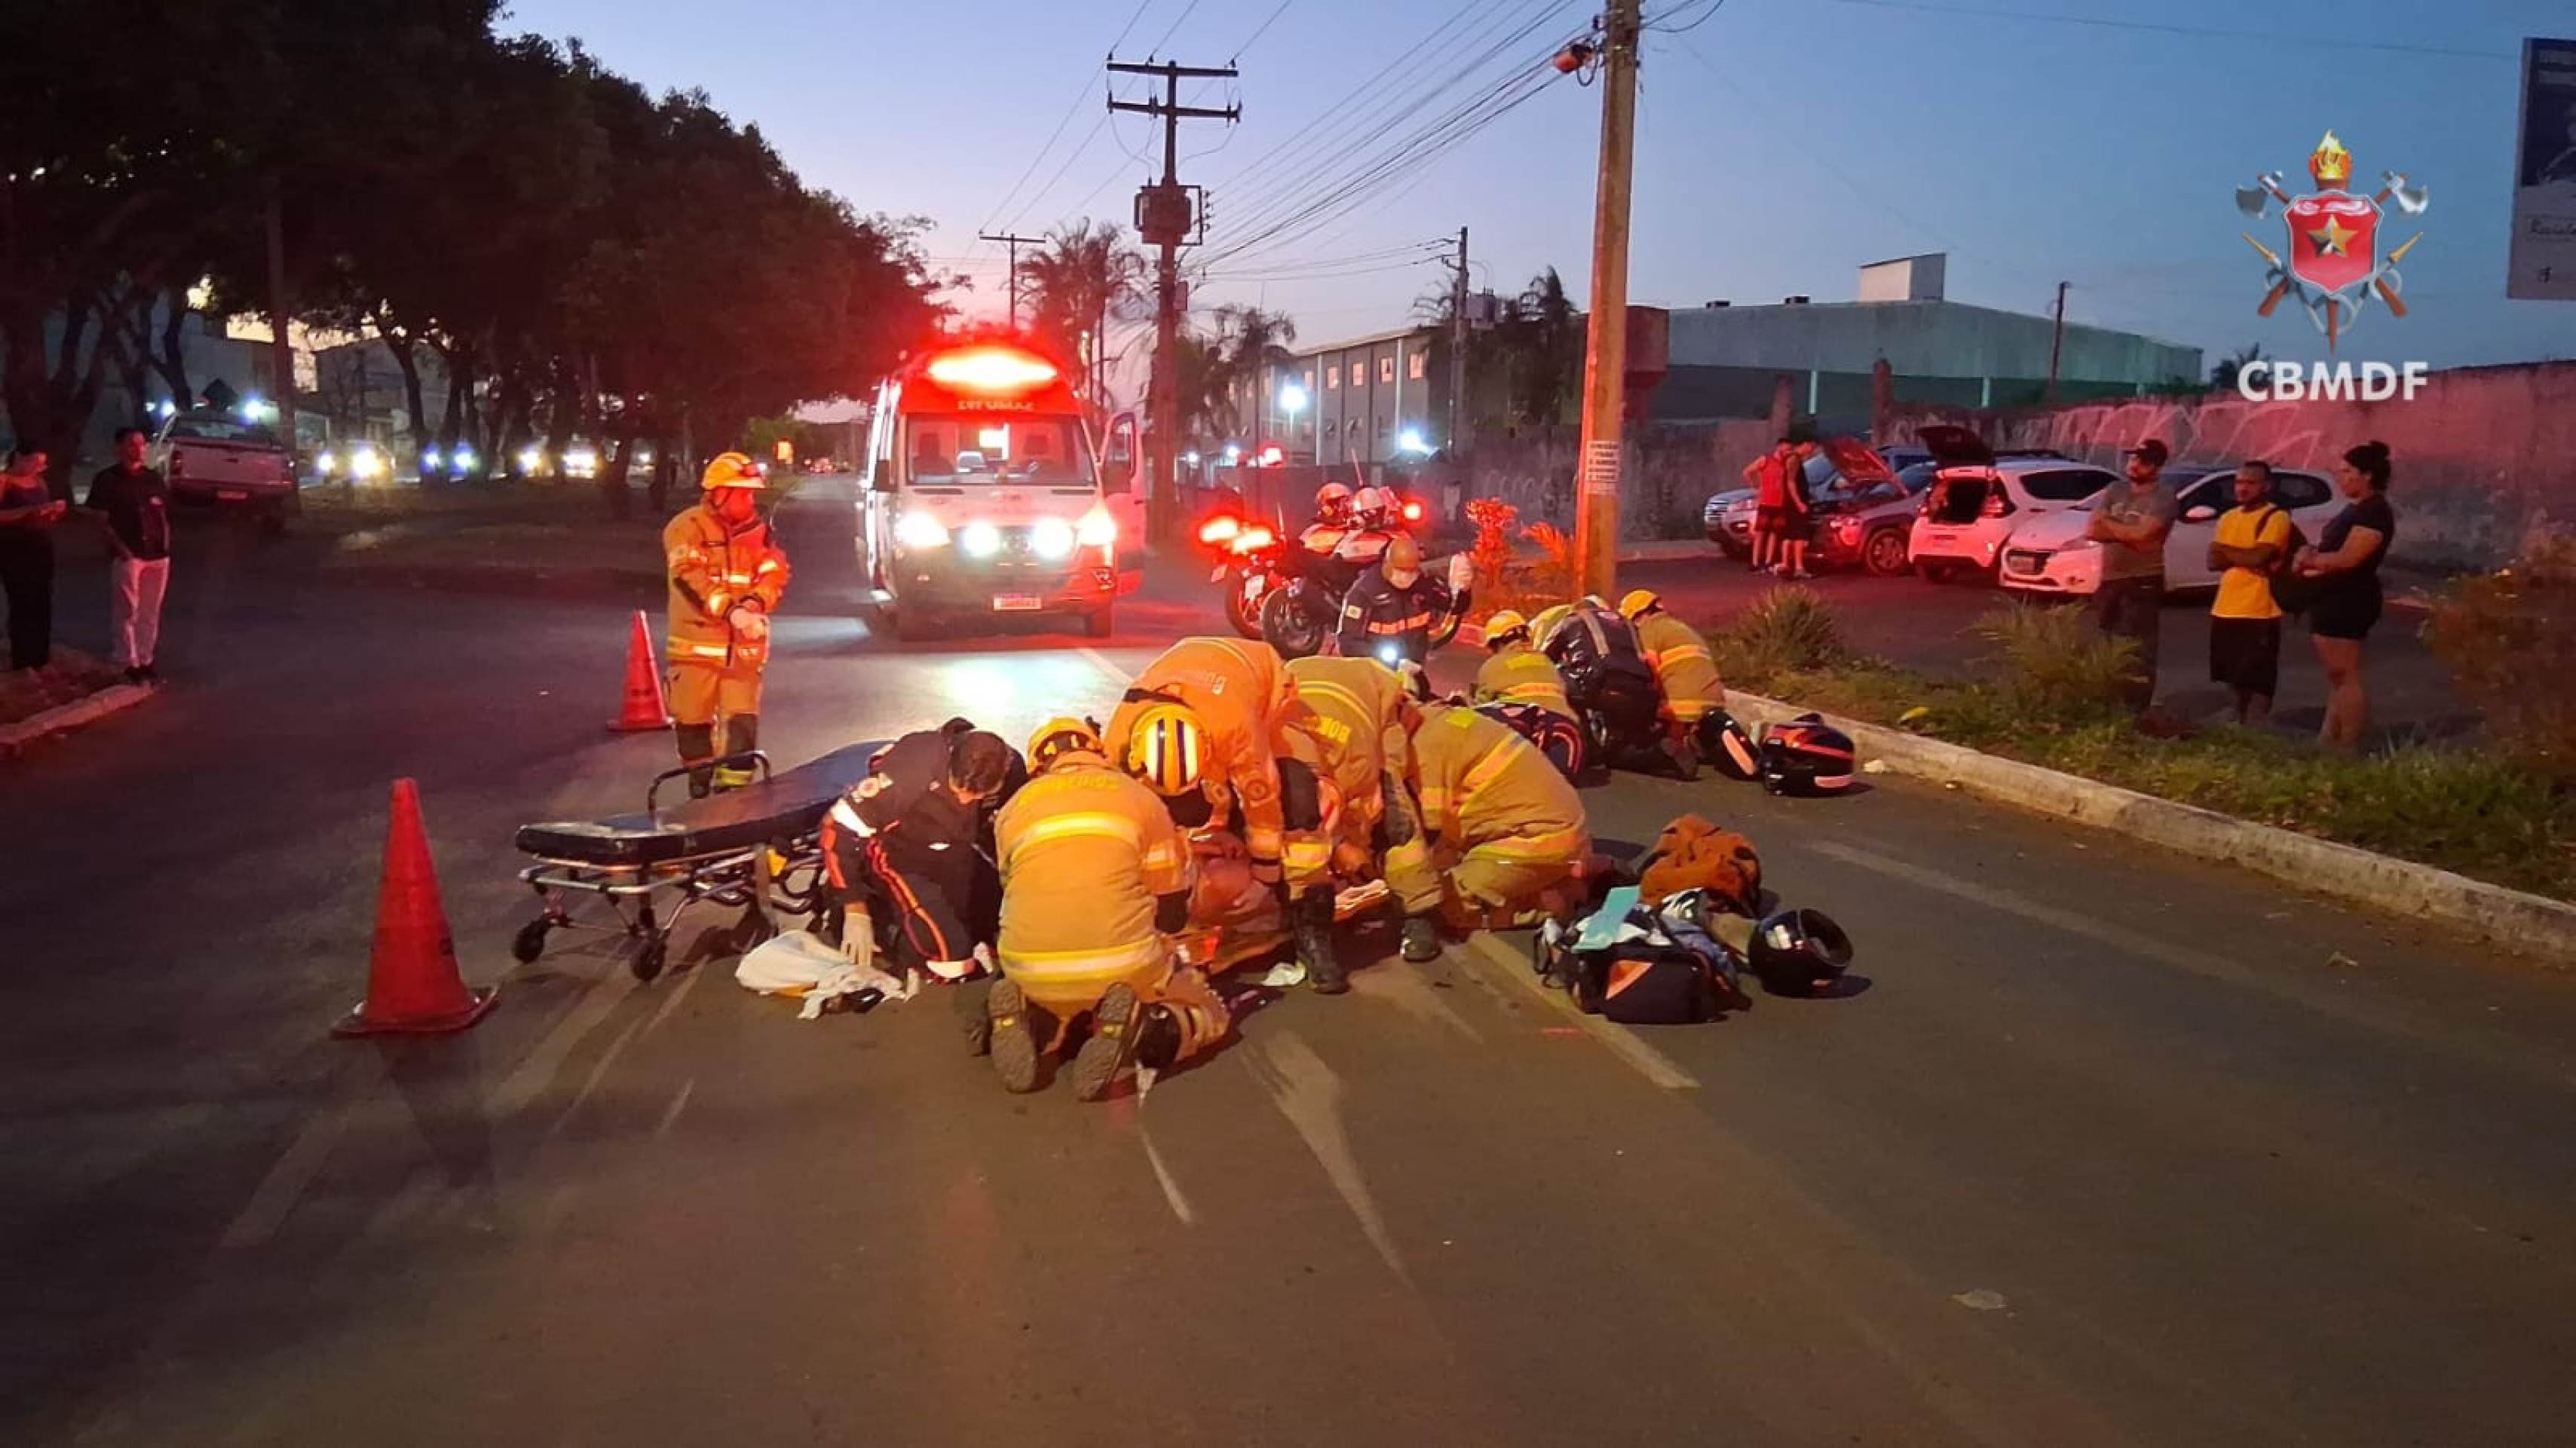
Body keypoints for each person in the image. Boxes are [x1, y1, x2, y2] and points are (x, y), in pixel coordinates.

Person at [986, 718, 1227, 1101]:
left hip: (1026, 962)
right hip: (1122, 962)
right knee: (1211, 1014)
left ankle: (1034, 1011)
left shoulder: (1014, 809)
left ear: (1037, 765)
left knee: (1055, 974)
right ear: (1098, 751)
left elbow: (1010, 885)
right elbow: (1171, 909)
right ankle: (1145, 1025)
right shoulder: (1139, 798)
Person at [1106, 637, 1344, 991]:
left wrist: (1266, 872)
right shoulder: (1119, 740)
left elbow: (1262, 800)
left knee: (1296, 798)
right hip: (1199, 683)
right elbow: (1138, 819)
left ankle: (1311, 929)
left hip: (1263, 690)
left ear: (1206, 749)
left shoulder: (1236, 726)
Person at [1385, 702, 1592, 963]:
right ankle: (1564, 876)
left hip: (1535, 842)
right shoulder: (1434, 724)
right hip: (1542, 831)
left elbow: (1423, 833)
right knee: (1435, 882)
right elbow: (1444, 838)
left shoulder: (1425, 750)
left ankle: (1558, 901)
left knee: (1444, 908)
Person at [822, 721, 1020, 985]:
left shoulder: (1013, 769)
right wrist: (853, 907)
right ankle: (871, 916)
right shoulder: (914, 768)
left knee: (1001, 928)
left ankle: (919, 918)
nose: (964, 801)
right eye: (959, 790)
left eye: (977, 796)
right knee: (953, 961)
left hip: (956, 852)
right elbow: (836, 826)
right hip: (899, 853)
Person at [663, 452, 789, 795]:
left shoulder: (759, 533)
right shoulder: (686, 528)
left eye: (752, 494)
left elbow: (774, 572)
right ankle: (700, 792)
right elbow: (690, 578)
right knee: (692, 727)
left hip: (744, 655)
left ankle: (734, 803)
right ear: (719, 494)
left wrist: (753, 603)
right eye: (743, 493)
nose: (750, 500)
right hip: (695, 652)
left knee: (741, 732)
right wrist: (733, 612)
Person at [2296, 441, 2397, 752]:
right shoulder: (2355, 509)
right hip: (2331, 596)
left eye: (2347, 472)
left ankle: (2348, 744)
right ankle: (2329, 740)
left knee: (2346, 675)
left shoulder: (2374, 511)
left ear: (2367, 475)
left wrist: (2311, 561)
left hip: (2349, 600)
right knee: (2336, 677)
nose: (2341, 478)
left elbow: (2349, 558)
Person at [1286, 653, 1417, 880]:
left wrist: (1354, 854)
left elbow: (1362, 812)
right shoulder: (1276, 754)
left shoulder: (1358, 770)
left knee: (1391, 783)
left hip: (1370, 686)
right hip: (1302, 672)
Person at [1542, 595, 1685, 777]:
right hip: (1640, 691)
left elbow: (1543, 660)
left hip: (1596, 683)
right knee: (1618, 752)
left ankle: (1585, 744)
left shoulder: (1573, 620)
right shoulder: (1627, 624)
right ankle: (1657, 754)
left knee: (1558, 677)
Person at [2084, 438, 2177, 713]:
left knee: (2138, 648)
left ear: (2157, 467)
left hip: (2143, 580)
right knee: (2107, 643)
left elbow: (2146, 536)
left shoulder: (2164, 496)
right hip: (2111, 579)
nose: (2135, 465)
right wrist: (2129, 534)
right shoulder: (2116, 490)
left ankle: (2136, 708)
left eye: (2143, 461)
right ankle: (2108, 702)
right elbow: (2092, 531)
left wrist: (2112, 527)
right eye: (2133, 459)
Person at [2204, 460, 2296, 727]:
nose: (2242, 489)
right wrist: (2244, 556)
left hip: (2259, 610)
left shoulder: (2276, 517)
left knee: (2258, 677)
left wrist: (2230, 553)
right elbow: (2212, 561)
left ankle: (2256, 727)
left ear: (2266, 486)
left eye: (2250, 483)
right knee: (2230, 673)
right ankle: (2237, 722)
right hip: (2225, 607)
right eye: (2239, 482)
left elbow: (2260, 556)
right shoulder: (2228, 517)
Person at [81, 427, 173, 684]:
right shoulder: (107, 480)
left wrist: (166, 543)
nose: (138, 449)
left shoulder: (152, 479)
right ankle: (127, 658)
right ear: (119, 447)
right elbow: (100, 518)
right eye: (132, 444)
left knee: (150, 609)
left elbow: (162, 513)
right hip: (129, 552)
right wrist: (121, 549)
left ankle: (146, 658)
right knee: (127, 609)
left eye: (142, 444)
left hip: (156, 554)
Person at [1618, 589, 1728, 765]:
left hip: (1684, 706)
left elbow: (1651, 667)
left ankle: (1677, 743)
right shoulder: (1682, 628)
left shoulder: (1649, 629)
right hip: (1716, 702)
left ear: (1641, 615)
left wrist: (1649, 694)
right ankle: (1694, 738)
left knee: (1646, 708)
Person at [1334, 533, 1462, 666]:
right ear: (1388, 567)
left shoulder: (1422, 585)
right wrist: (1390, 662)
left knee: (1422, 688)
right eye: (1400, 571)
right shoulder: (1364, 592)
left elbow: (1454, 607)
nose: (1405, 578)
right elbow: (1348, 642)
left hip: (1412, 668)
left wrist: (1461, 589)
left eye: (1411, 572)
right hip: (1375, 672)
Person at [0, 445, 67, 671]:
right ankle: (22, 656)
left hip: (41, 545)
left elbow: (43, 512)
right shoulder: (5, 481)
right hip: (15, 549)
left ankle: (40, 655)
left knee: (42, 600)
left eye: (43, 465)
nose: (40, 468)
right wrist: (29, 511)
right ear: (20, 458)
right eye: (36, 463)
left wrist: (52, 512)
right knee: (22, 602)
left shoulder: (39, 482)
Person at [1744, 439, 1796, 574]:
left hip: (1779, 503)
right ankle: (1755, 562)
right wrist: (1755, 487)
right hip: (1766, 502)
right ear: (1779, 447)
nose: (1787, 451)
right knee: (1761, 532)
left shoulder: (1786, 464)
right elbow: (1748, 471)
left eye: (1789, 449)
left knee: (1774, 532)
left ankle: (1768, 561)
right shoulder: (1766, 459)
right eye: (1786, 448)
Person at [1774, 439, 1823, 580]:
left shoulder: (1791, 458)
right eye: (1811, 448)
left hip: (1789, 503)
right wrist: (1799, 503)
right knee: (1799, 537)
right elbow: (1790, 482)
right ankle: (1799, 567)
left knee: (1789, 536)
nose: (1811, 451)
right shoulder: (1794, 459)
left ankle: (1787, 565)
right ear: (1805, 444)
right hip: (1794, 504)